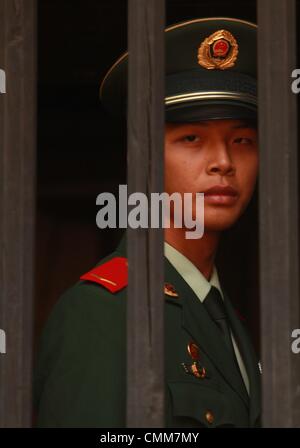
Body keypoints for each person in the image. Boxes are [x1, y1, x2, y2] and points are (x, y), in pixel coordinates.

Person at [33, 17, 261, 428]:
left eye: (241, 140)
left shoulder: (226, 318)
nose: (223, 162)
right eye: (192, 138)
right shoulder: (105, 313)